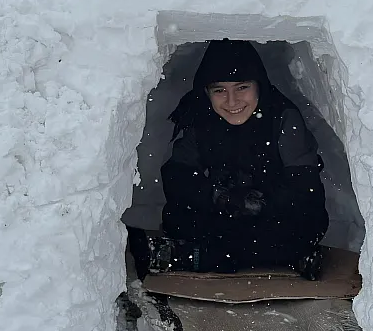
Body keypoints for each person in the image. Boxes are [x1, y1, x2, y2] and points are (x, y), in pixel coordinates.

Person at [137, 39, 329, 278]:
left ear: (258, 86)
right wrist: (217, 197)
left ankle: (194, 256)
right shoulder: (201, 118)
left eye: (241, 88)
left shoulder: (282, 117)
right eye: (220, 90)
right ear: (207, 92)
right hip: (223, 214)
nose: (232, 101)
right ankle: (283, 258)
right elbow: (178, 176)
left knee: (300, 227)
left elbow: (305, 186)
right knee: (179, 217)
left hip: (273, 217)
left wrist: (260, 203)